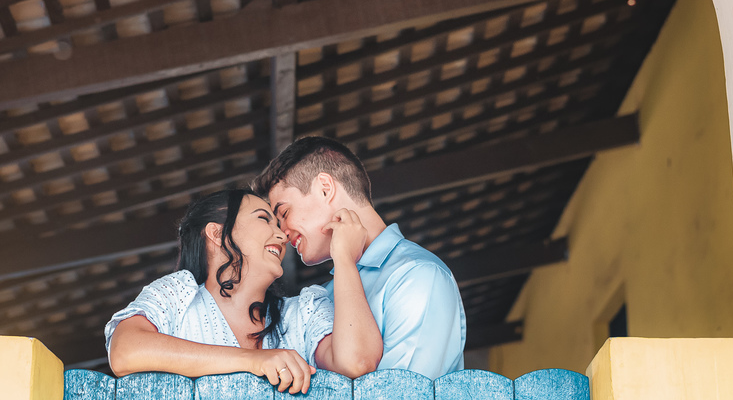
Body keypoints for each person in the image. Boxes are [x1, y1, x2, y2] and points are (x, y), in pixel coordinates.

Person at [105, 188, 382, 393]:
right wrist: (254, 362)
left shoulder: (302, 313)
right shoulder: (179, 293)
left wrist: (344, 260)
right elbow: (124, 352)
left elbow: (356, 363)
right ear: (216, 233)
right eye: (264, 219)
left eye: (279, 224)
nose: (282, 235)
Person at [252, 137, 466, 380]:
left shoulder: (419, 276)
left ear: (325, 188)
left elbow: (405, 393)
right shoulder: (321, 298)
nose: (281, 232)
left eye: (284, 212)